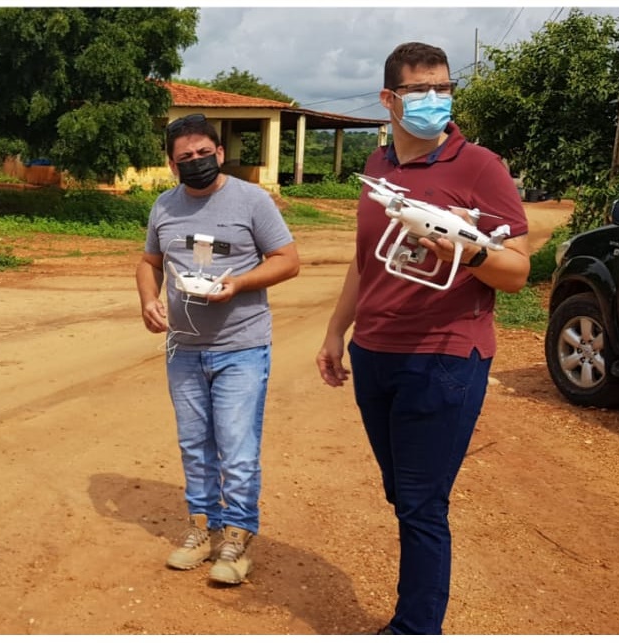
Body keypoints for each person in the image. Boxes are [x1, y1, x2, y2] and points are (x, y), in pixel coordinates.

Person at [314, 42, 530, 634]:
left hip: (444, 356)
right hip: (375, 353)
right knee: (401, 492)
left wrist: (471, 250)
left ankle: (416, 626)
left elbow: (517, 271)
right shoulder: (378, 168)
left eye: (444, 89)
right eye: (419, 91)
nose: (435, 101)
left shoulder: (481, 166)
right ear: (389, 99)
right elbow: (365, 263)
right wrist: (337, 332)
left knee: (421, 503)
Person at [135, 114, 300, 585]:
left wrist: (240, 283)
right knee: (194, 446)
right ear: (171, 165)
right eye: (185, 158)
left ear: (220, 153)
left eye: (204, 154)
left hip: (241, 347)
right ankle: (201, 529)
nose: (196, 163)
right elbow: (149, 263)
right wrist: (148, 300)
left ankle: (238, 536)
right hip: (183, 349)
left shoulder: (252, 200)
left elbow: (288, 261)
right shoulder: (165, 207)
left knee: (237, 447)